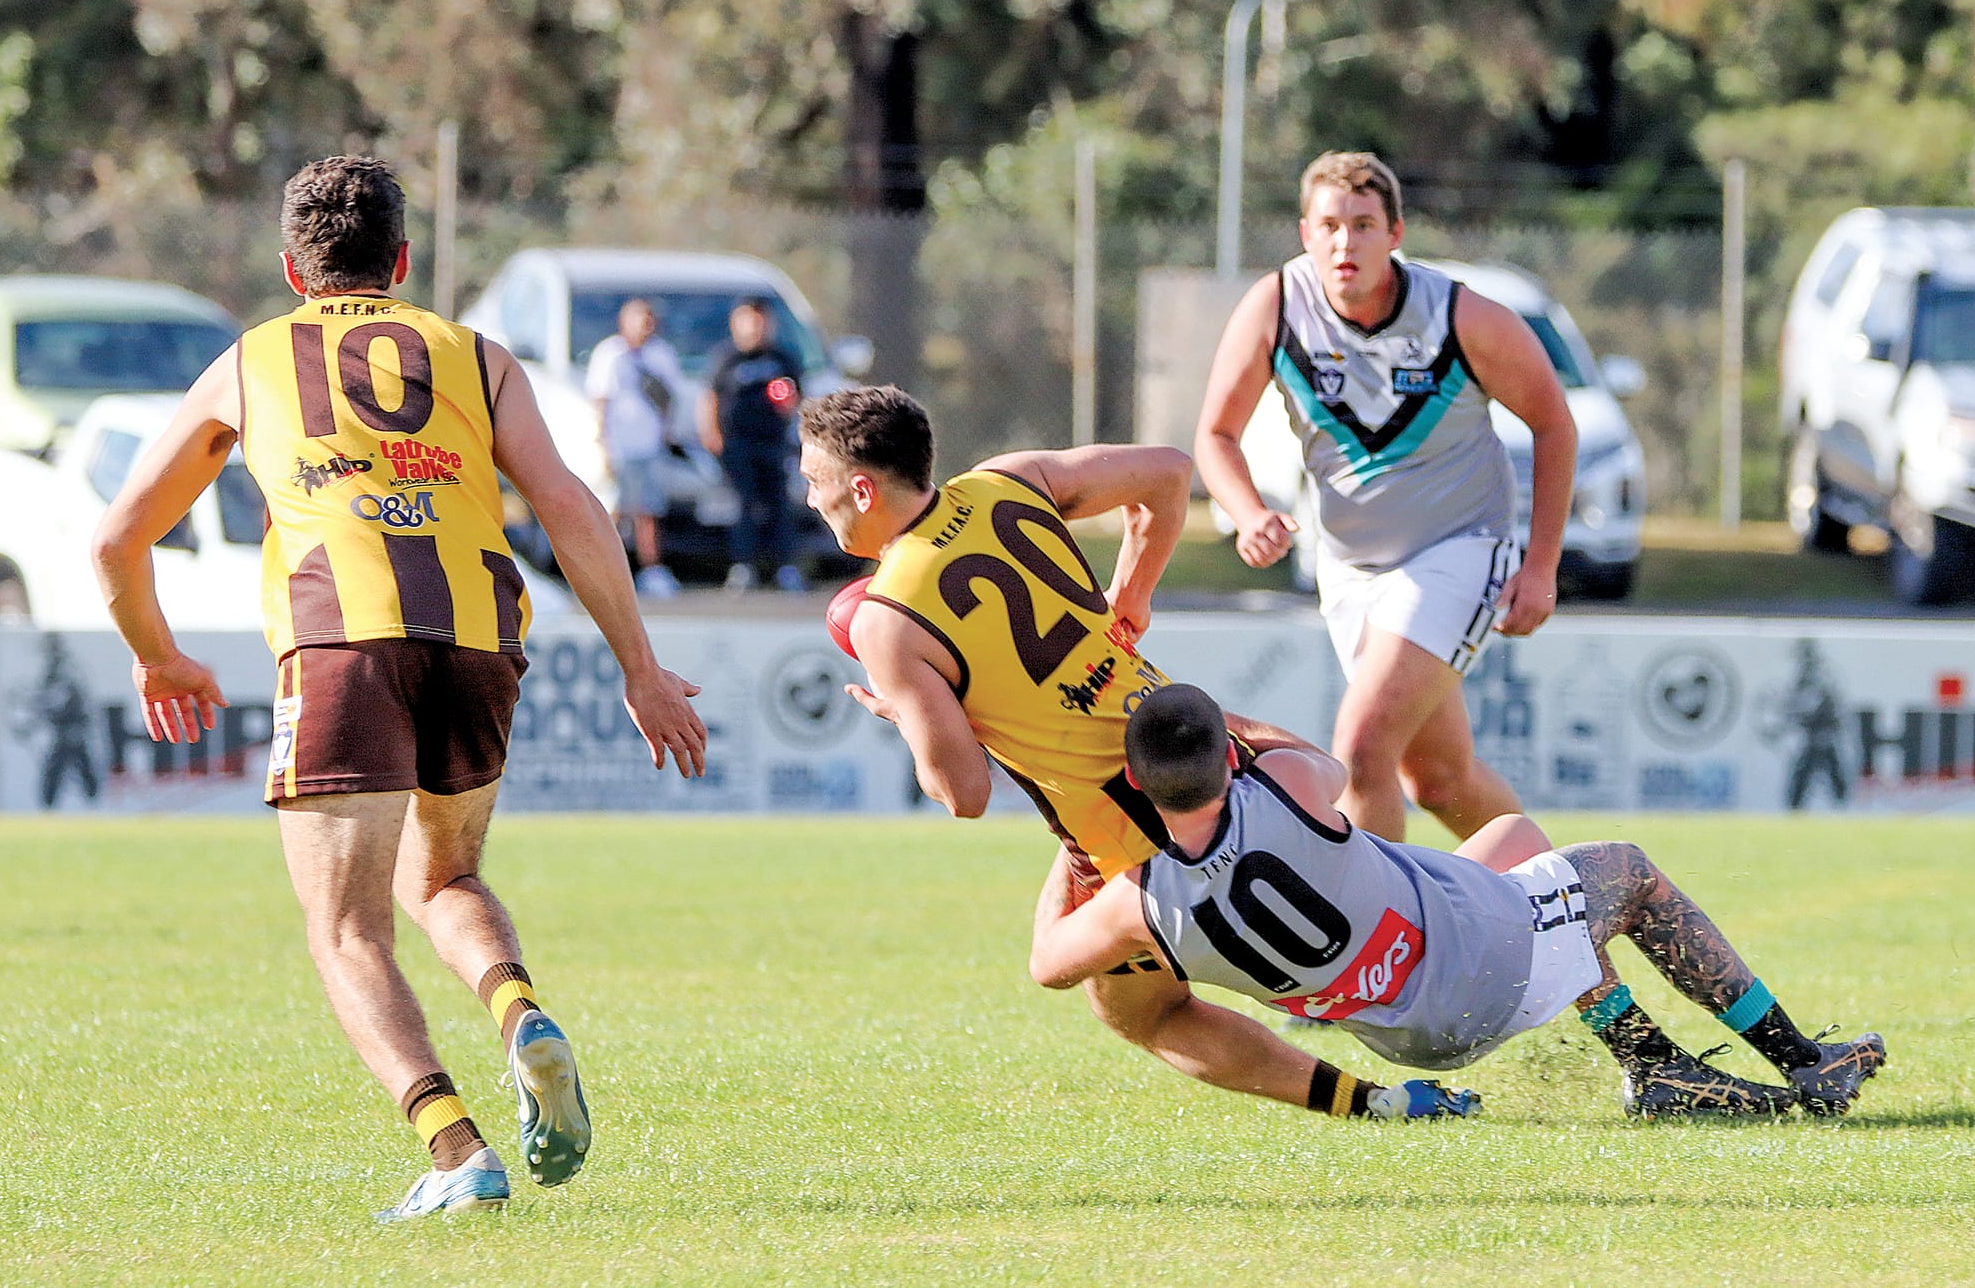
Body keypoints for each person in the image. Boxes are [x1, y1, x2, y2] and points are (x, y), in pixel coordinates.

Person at [90, 156, 707, 1221]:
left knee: (346, 929)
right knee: (443, 881)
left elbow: (117, 537)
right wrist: (639, 668)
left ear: (292, 268)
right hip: (478, 640)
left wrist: (158, 654)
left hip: (342, 642)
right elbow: (567, 506)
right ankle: (519, 1016)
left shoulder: (253, 360)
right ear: (404, 260)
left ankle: (455, 1147)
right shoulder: (478, 356)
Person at [801, 384, 1399, 1122]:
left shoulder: (886, 620)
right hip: (1207, 752)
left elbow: (963, 795)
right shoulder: (1007, 480)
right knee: (1389, 919)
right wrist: (1133, 593)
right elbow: (1170, 472)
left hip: (1137, 840)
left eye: (814, 481)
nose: (809, 500)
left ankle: (1377, 1106)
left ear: (861, 489)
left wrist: (913, 716)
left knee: (1143, 1012)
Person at [1031, 683, 1886, 1120]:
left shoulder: (1137, 906)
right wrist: (1234, 722)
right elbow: (1319, 764)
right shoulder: (1285, 788)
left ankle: (1649, 1062)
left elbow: (1046, 966)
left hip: (1413, 1036)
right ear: (1227, 759)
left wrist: (1075, 847)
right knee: (1626, 873)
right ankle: (1802, 1060)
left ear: (1139, 784)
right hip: (1476, 966)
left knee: (1516, 842)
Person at [1196, 150, 1577, 843]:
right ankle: (1561, 900)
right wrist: (1249, 513)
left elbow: (1554, 423)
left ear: (1396, 233)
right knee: (1437, 780)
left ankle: (1388, 945)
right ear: (1305, 233)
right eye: (1331, 225)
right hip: (1349, 570)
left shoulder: (1460, 316)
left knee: (1362, 745)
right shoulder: (1276, 307)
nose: (1347, 243)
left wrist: (1540, 565)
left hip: (1458, 550)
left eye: (1365, 224)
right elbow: (1216, 434)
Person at [701, 295, 804, 592]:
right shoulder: (726, 358)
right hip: (738, 444)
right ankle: (743, 566)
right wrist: (712, 433)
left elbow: (794, 397)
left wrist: (787, 404)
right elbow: (711, 397)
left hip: (773, 441)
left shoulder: (782, 358)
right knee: (743, 504)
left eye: (761, 319)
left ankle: (784, 567)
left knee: (778, 504)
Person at [585, 297, 686, 598]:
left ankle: (651, 570)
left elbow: (670, 398)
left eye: (649, 321)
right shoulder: (609, 354)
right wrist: (604, 443)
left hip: (649, 445)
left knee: (649, 511)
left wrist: (666, 434)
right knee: (614, 511)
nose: (645, 327)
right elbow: (600, 400)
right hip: (619, 446)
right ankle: (606, 571)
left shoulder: (661, 354)